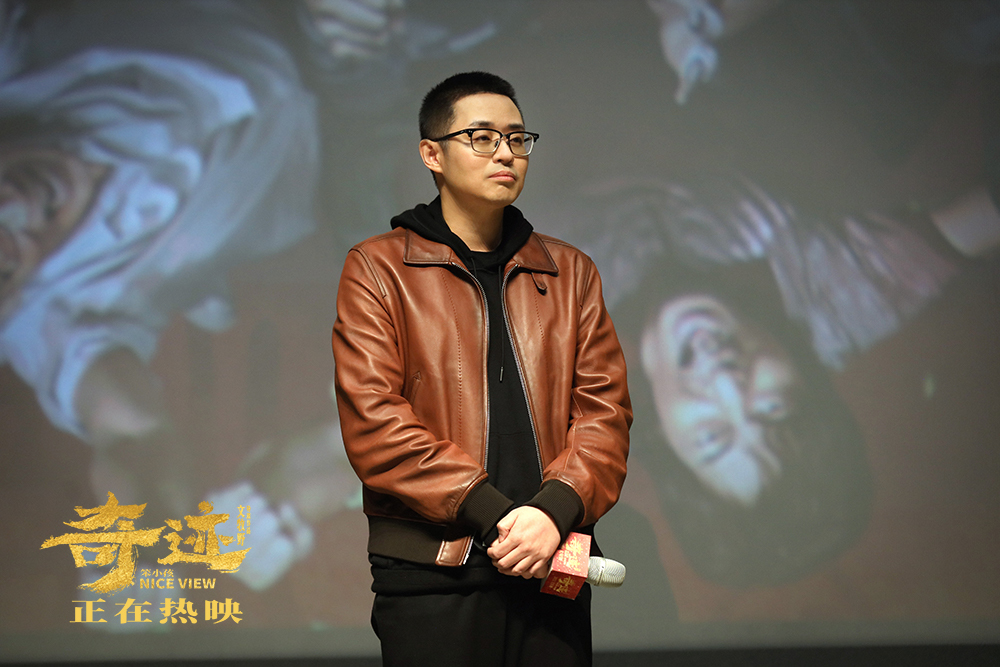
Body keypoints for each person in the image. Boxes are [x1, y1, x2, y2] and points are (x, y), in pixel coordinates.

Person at [331, 71, 631, 666]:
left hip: (554, 563)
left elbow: (606, 415)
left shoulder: (570, 272)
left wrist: (552, 512)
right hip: (433, 571)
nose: (505, 153)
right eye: (482, 137)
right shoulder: (379, 268)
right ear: (431, 154)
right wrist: (500, 517)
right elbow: (374, 421)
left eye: (518, 139)